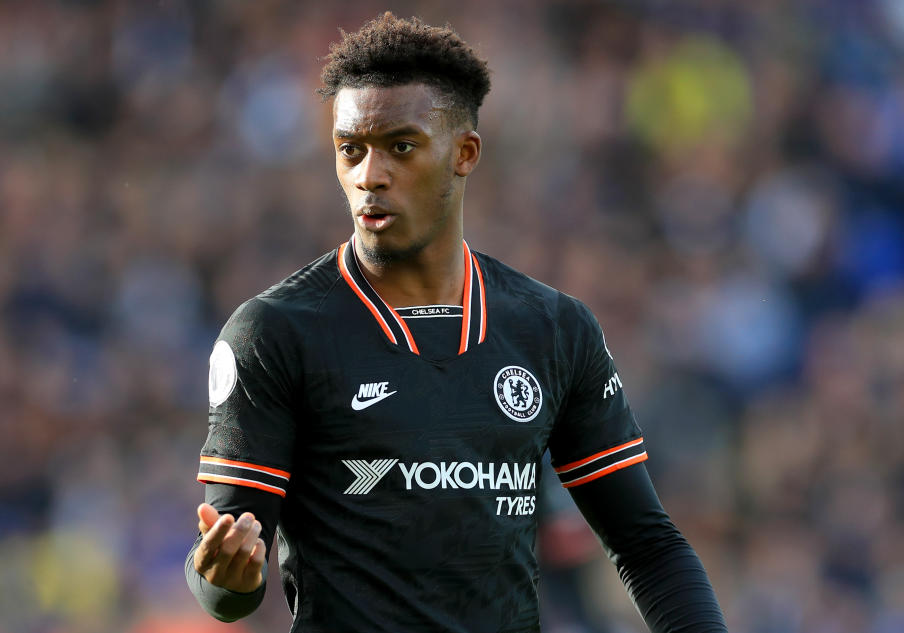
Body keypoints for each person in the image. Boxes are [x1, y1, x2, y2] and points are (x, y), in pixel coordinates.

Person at [186, 13, 728, 633]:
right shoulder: (276, 333)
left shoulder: (552, 329)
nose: (370, 175)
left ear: (464, 153)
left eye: (401, 146)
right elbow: (223, 585)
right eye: (350, 150)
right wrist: (227, 578)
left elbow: (647, 545)